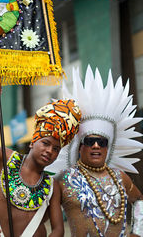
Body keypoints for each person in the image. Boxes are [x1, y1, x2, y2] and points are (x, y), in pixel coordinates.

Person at [0, 78, 81, 237]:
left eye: (56, 149)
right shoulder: (6, 159)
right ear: (32, 142)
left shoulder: (52, 186)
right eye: (45, 143)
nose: (49, 150)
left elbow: (58, 229)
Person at [46, 66, 143, 237]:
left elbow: (139, 201)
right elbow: (40, 217)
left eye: (102, 142)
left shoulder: (120, 176)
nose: (96, 146)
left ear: (108, 147)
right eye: (90, 141)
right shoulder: (63, 179)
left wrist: (137, 232)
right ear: (80, 146)